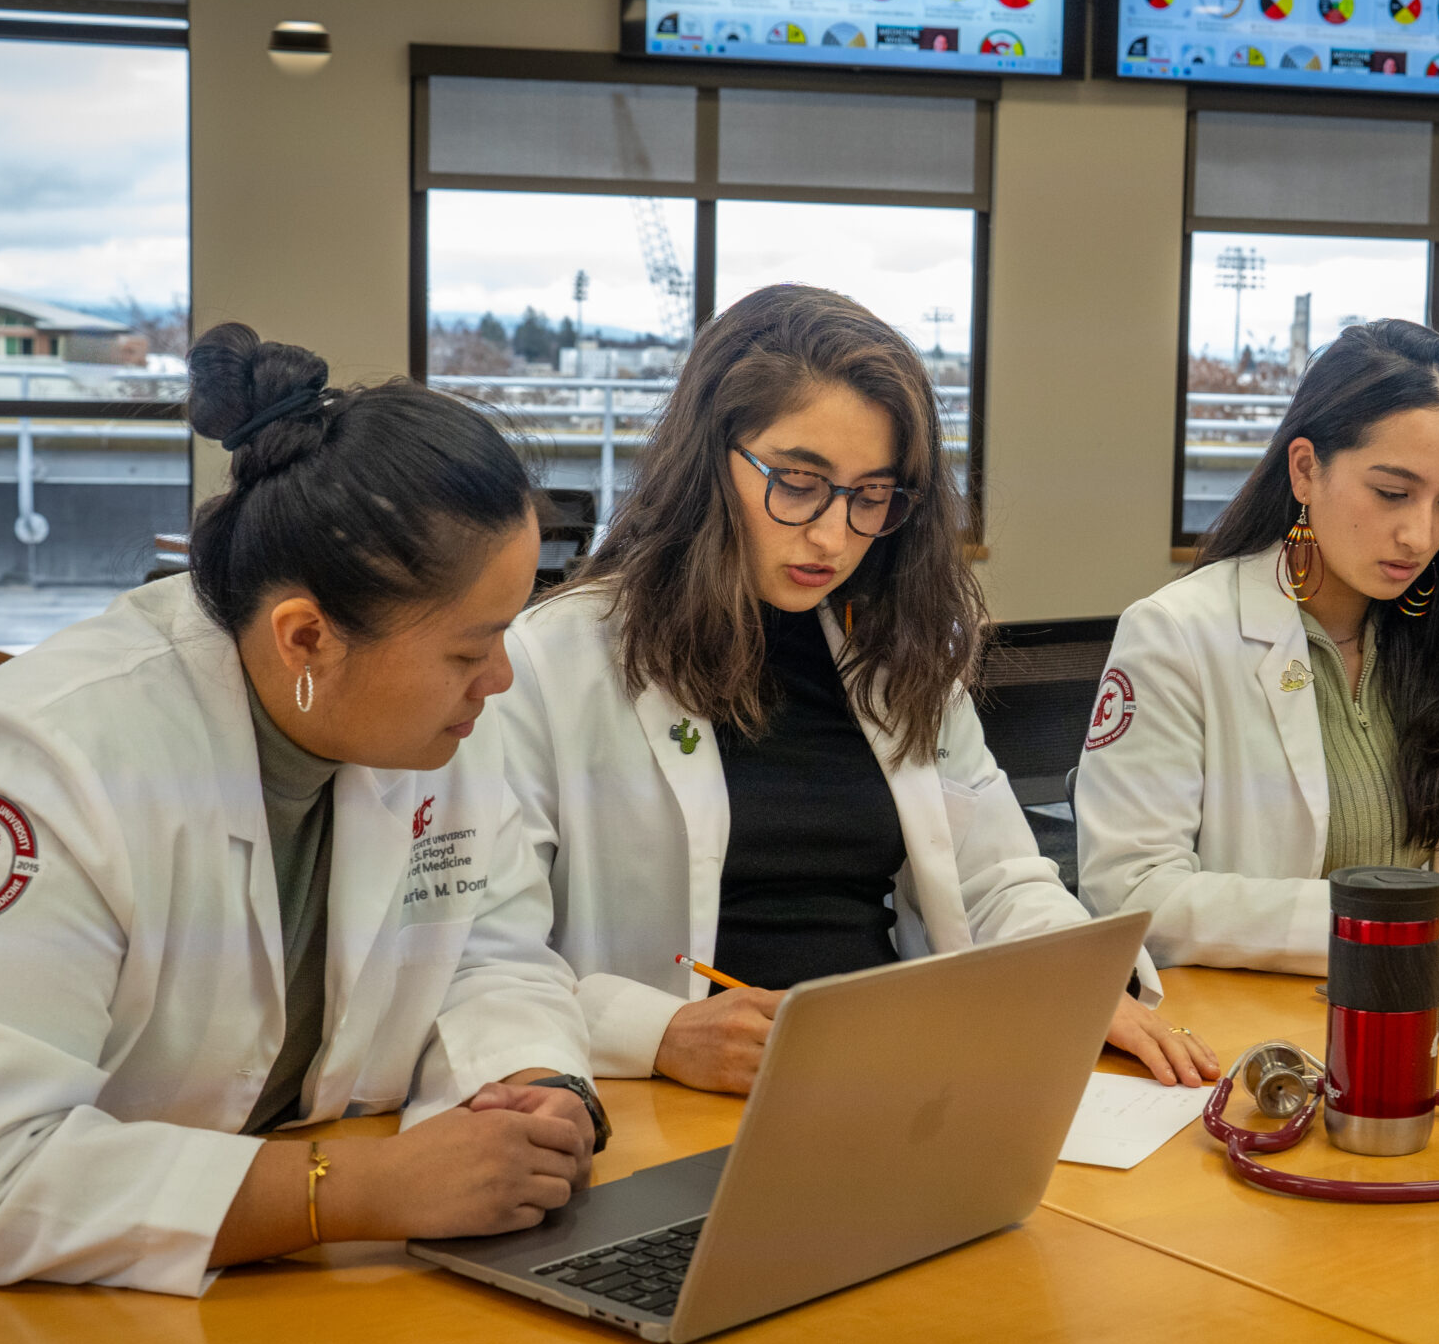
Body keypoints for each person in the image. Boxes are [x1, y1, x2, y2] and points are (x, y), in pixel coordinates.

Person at [0, 325, 602, 1295]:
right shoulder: (43, 761)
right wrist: (351, 1189)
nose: (499, 679)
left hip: (218, 1273)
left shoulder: (433, 726)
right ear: (306, 637)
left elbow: (490, 951)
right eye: (469, 649)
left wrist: (528, 1086)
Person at [496, 284, 1218, 1093]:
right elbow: (487, 951)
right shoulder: (553, 662)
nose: (835, 536)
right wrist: (655, 1031)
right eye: (798, 482)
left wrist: (1076, 983)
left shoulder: (893, 643)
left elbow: (997, 875)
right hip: (666, 1101)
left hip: (891, 1078)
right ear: (709, 459)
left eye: (873, 495)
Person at [1075, 319, 1439, 974]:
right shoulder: (1178, 634)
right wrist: (1375, 920)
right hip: (1261, 1030)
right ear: (1306, 469)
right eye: (1392, 493)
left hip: (1435, 1002)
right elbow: (1131, 896)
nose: (1419, 535)